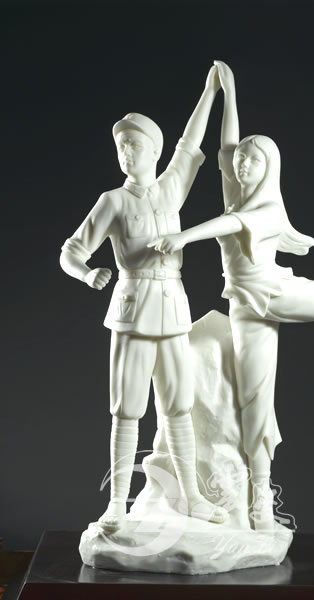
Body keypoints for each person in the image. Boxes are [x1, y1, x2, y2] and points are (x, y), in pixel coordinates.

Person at [152, 61, 314, 531]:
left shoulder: (267, 209)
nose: (243, 165)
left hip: (275, 291)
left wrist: (183, 237)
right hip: (244, 307)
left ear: (270, 168)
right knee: (255, 397)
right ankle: (259, 496)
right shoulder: (236, 189)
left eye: (254, 161)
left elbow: (231, 223)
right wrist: (225, 93)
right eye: (242, 161)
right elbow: (227, 147)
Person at [60, 65, 228, 534]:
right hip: (132, 312)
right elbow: (71, 251)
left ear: (153, 150)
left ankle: (192, 497)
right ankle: (117, 503)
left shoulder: (171, 188)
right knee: (127, 409)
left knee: (179, 407)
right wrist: (87, 273)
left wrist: (210, 92)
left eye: (133, 144)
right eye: (120, 146)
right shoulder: (112, 201)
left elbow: (190, 146)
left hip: (172, 309)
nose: (126, 152)